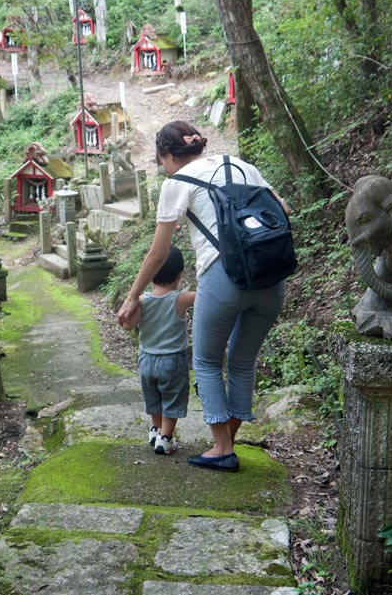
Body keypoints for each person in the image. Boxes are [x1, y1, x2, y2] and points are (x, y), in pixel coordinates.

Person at [116, 121, 288, 472]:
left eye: (160, 160)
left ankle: (222, 448)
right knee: (242, 362)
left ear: (167, 155)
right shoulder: (243, 166)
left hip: (223, 278)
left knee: (207, 361)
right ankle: (228, 440)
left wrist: (134, 296)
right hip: (272, 278)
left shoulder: (176, 182)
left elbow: (158, 255)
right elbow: (281, 212)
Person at [119, 245, 195, 456]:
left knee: (153, 397)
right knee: (172, 398)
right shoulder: (181, 299)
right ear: (180, 275)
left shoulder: (142, 300)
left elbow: (128, 325)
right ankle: (166, 439)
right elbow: (206, 296)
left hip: (147, 359)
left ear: (150, 275)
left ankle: (155, 430)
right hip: (172, 361)